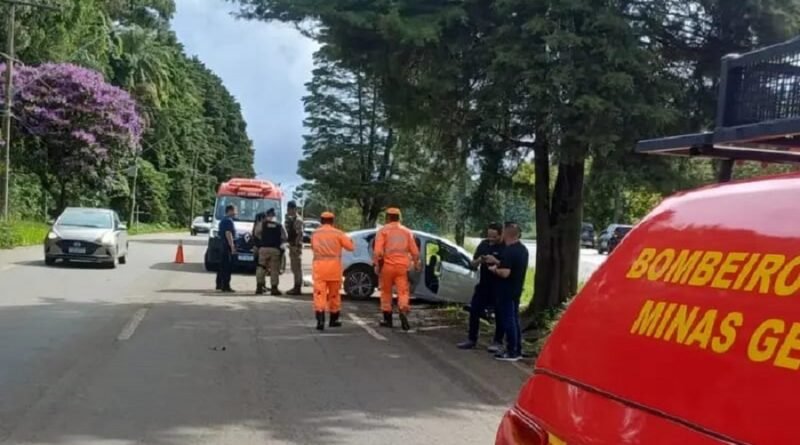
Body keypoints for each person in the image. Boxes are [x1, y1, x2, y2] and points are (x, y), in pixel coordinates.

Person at [457, 222, 506, 352]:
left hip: (499, 286)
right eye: (489, 236)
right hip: (483, 284)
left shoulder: (506, 246)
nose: (491, 239)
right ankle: (472, 339)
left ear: (501, 235)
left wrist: (496, 261)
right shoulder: (483, 244)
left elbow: (510, 267)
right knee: (474, 310)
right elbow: (472, 264)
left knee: (500, 314)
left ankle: (498, 341)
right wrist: (480, 260)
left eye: (494, 237)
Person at [374, 207, 420, 331]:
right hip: (402, 267)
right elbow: (415, 251)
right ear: (399, 218)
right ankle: (403, 310)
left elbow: (378, 252)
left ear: (388, 217)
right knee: (403, 291)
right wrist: (416, 264)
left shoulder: (383, 231)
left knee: (386, 292)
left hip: (387, 267)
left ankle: (387, 319)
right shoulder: (407, 232)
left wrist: (377, 265)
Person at [488, 222, 529, 362]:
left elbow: (505, 273)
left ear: (507, 233)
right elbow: (513, 266)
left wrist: (494, 270)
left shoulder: (509, 250)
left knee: (509, 320)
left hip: (507, 291)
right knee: (515, 320)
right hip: (517, 289)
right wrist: (499, 262)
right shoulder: (522, 249)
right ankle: (517, 348)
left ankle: (511, 351)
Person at [310, 211, 354, 330]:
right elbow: (350, 247)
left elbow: (313, 247)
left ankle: (320, 320)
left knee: (319, 294)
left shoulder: (315, 233)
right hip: (334, 269)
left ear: (321, 220)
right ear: (332, 221)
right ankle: (334, 320)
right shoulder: (338, 233)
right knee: (334, 295)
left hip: (319, 269)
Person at [255, 208, 287, 295]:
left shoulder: (262, 224)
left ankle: (259, 287)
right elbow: (285, 237)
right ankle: (274, 288)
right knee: (274, 269)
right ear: (274, 215)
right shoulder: (279, 225)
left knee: (261, 267)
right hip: (275, 249)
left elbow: (256, 233)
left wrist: (263, 239)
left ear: (267, 215)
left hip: (263, 249)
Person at [284, 201, 305, 295]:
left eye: (289, 209)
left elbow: (300, 234)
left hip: (296, 247)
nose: (288, 211)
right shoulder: (290, 219)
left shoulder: (298, 220)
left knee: (297, 268)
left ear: (294, 209)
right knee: (294, 267)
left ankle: (297, 288)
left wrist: (295, 246)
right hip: (292, 246)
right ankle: (296, 286)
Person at [216, 204, 238, 293]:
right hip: (226, 246)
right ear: (230, 211)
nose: (236, 213)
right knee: (227, 267)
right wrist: (232, 246)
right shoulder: (229, 221)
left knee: (222, 266)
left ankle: (219, 284)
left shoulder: (223, 220)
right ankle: (226, 286)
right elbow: (228, 234)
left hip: (222, 245)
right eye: (235, 210)